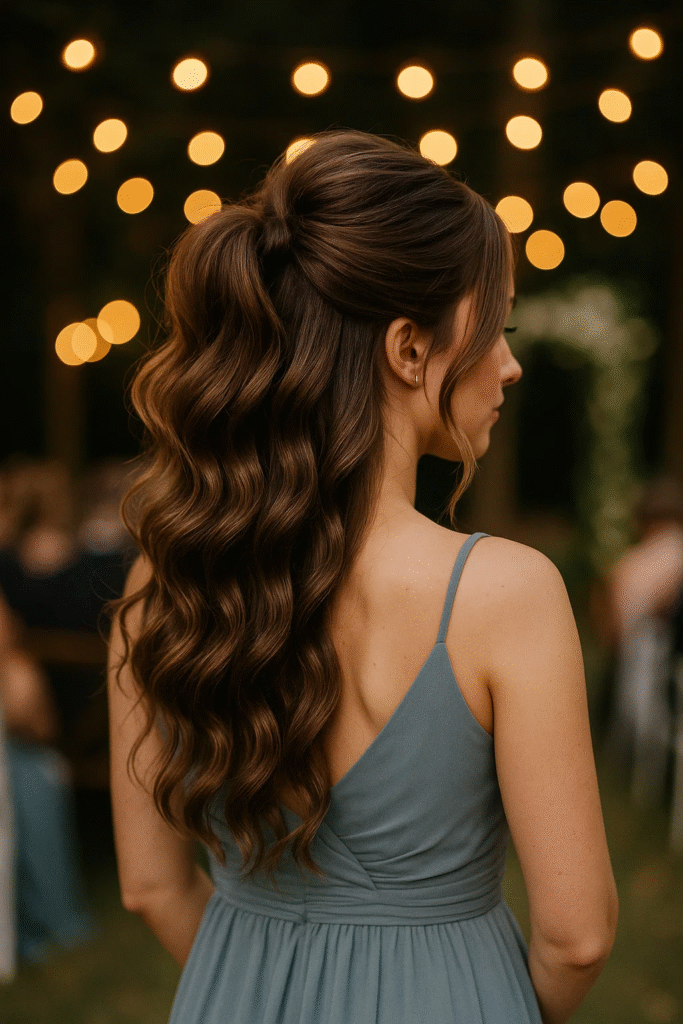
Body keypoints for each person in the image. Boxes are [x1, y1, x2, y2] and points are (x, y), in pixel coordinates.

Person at [106, 130, 618, 1024]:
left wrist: (263, 986)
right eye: (494, 329)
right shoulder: (505, 592)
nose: (509, 364)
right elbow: (576, 937)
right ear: (408, 350)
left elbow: (151, 887)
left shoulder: (170, 577)